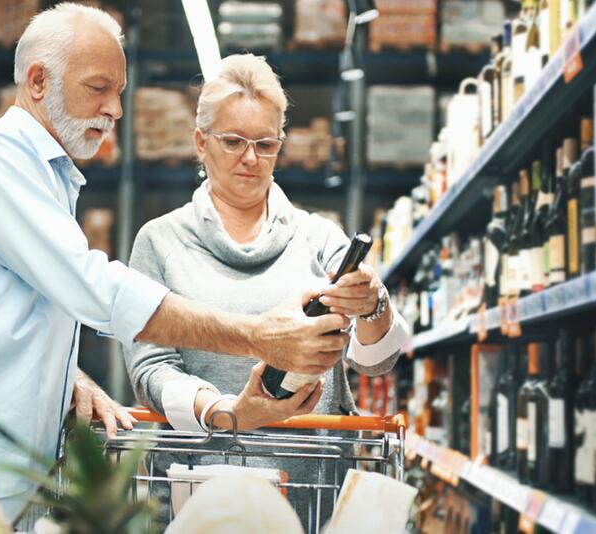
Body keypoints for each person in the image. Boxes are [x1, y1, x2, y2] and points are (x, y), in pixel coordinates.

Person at [0, 4, 349, 521]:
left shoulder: (52, 180)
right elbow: (93, 288)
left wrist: (66, 376)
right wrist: (258, 336)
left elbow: (3, 312)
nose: (115, 110)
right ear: (37, 82)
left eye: (118, 93)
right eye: (99, 89)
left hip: (1, 483)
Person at [125, 54, 411, 528]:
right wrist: (229, 412)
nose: (251, 158)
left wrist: (374, 302)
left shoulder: (320, 238)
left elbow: (376, 362)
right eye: (233, 141)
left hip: (311, 488)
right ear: (201, 142)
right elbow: (150, 368)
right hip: (199, 494)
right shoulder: (160, 242)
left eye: (265, 143)